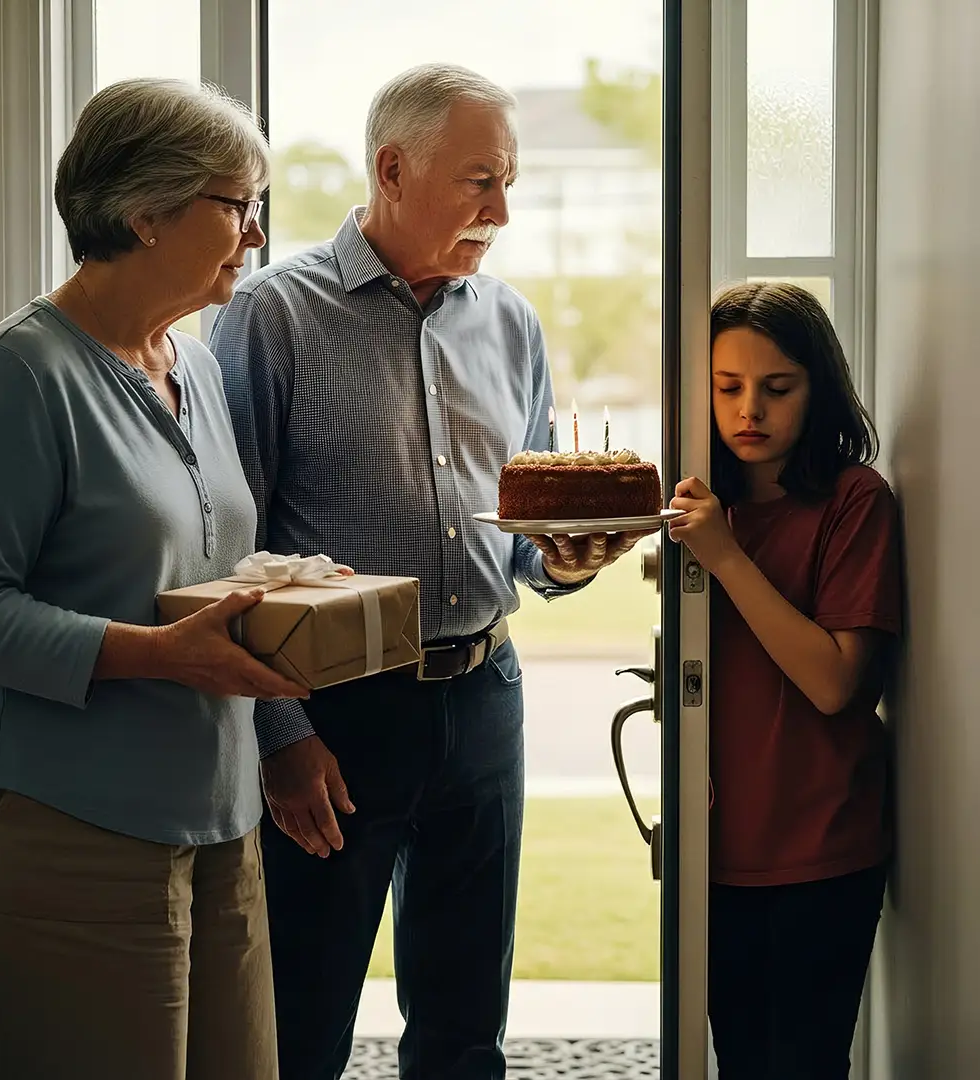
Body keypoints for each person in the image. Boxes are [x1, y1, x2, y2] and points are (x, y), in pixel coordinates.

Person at [211, 62, 647, 1079]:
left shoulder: (514, 323)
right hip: (337, 710)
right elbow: (223, 544)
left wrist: (573, 563)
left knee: (464, 1030)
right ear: (393, 169)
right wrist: (281, 735)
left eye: (509, 184)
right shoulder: (273, 317)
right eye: (479, 181)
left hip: (487, 698)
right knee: (299, 1023)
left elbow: (531, 545)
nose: (502, 210)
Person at [0, 78, 308, 1080]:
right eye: (236, 204)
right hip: (65, 828)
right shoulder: (23, 375)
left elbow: (194, 569)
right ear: (145, 211)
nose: (255, 236)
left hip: (220, 816)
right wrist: (161, 658)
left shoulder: (198, 364)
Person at [668, 281, 901, 1079]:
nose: (748, 412)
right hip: (713, 850)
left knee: (804, 1065)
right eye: (727, 388)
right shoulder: (696, 508)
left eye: (777, 388)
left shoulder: (854, 502)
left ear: (819, 388)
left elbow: (838, 684)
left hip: (822, 849)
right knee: (737, 1063)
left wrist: (726, 557)